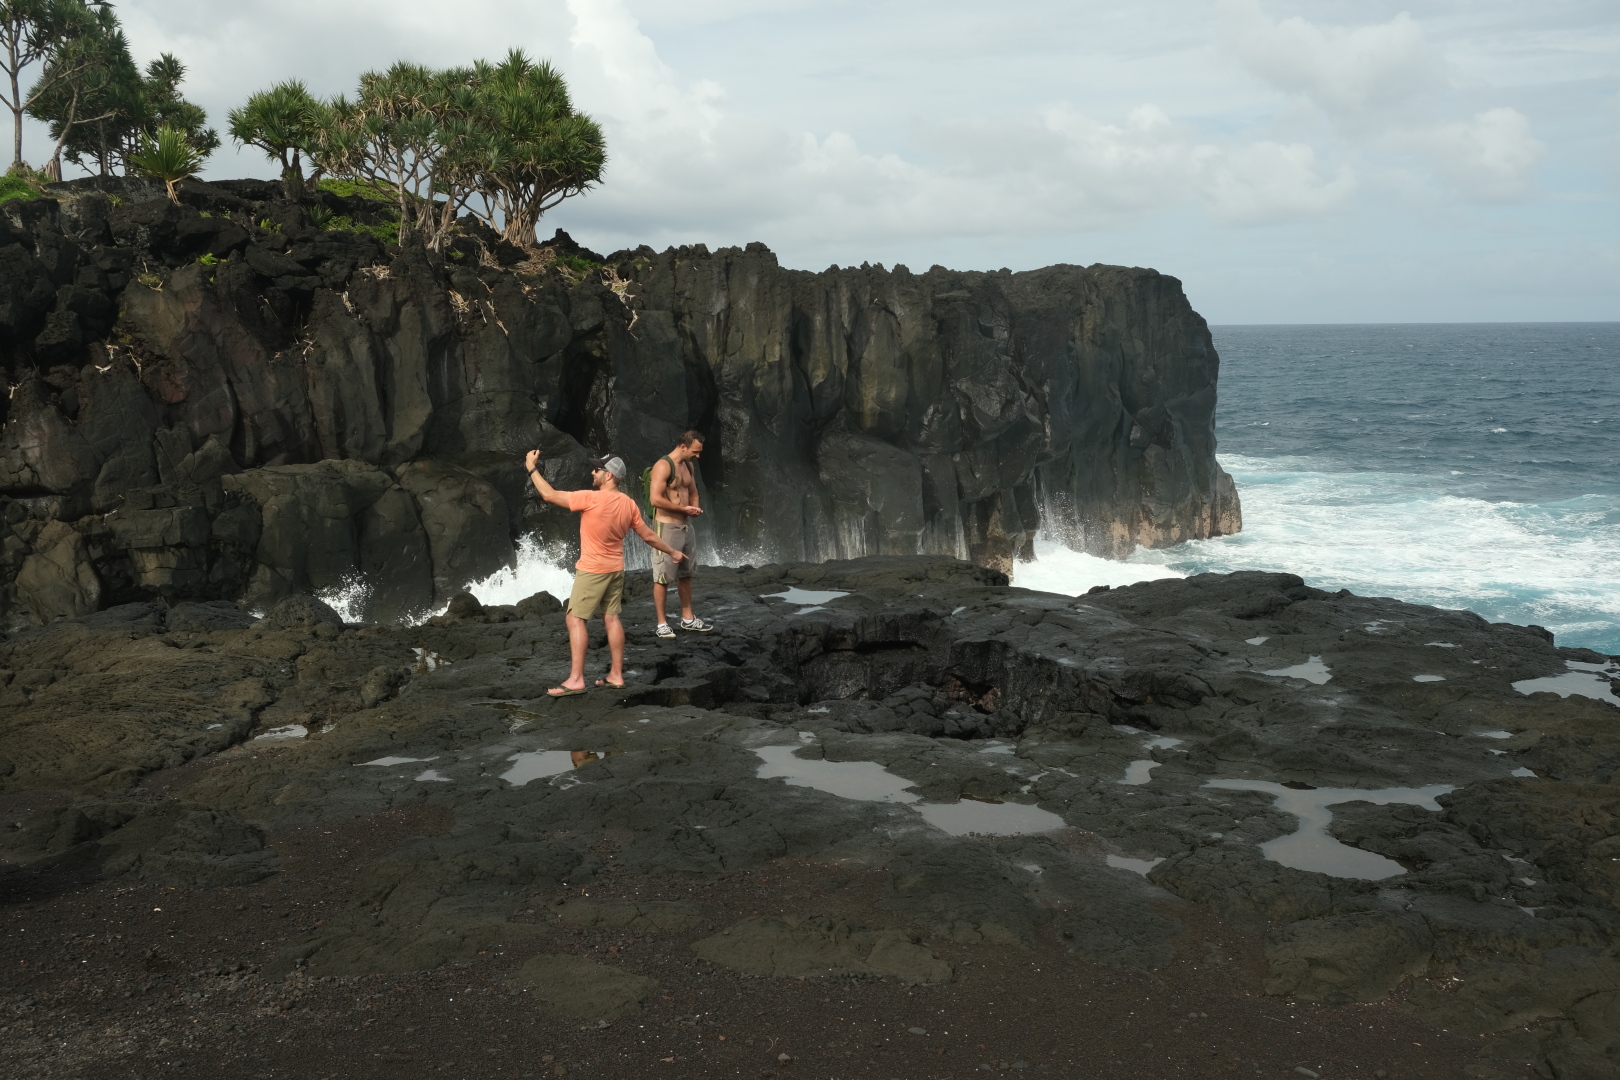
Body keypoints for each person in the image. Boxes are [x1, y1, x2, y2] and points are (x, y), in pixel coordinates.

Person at [524, 449, 685, 696]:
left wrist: (532, 468)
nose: (593, 472)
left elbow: (548, 494)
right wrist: (672, 552)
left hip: (592, 570)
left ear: (609, 476)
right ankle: (616, 675)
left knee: (575, 619)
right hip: (616, 569)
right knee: (611, 618)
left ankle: (576, 679)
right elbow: (649, 536)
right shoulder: (628, 504)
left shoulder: (591, 498)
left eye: (597, 469)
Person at [647, 430, 712, 639]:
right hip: (666, 528)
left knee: (686, 573)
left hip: (686, 527)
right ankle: (661, 623)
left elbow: (693, 492)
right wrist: (683, 510)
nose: (698, 456)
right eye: (696, 451)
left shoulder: (689, 465)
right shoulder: (663, 465)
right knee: (663, 576)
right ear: (683, 446)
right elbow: (655, 499)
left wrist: (694, 508)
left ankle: (688, 619)